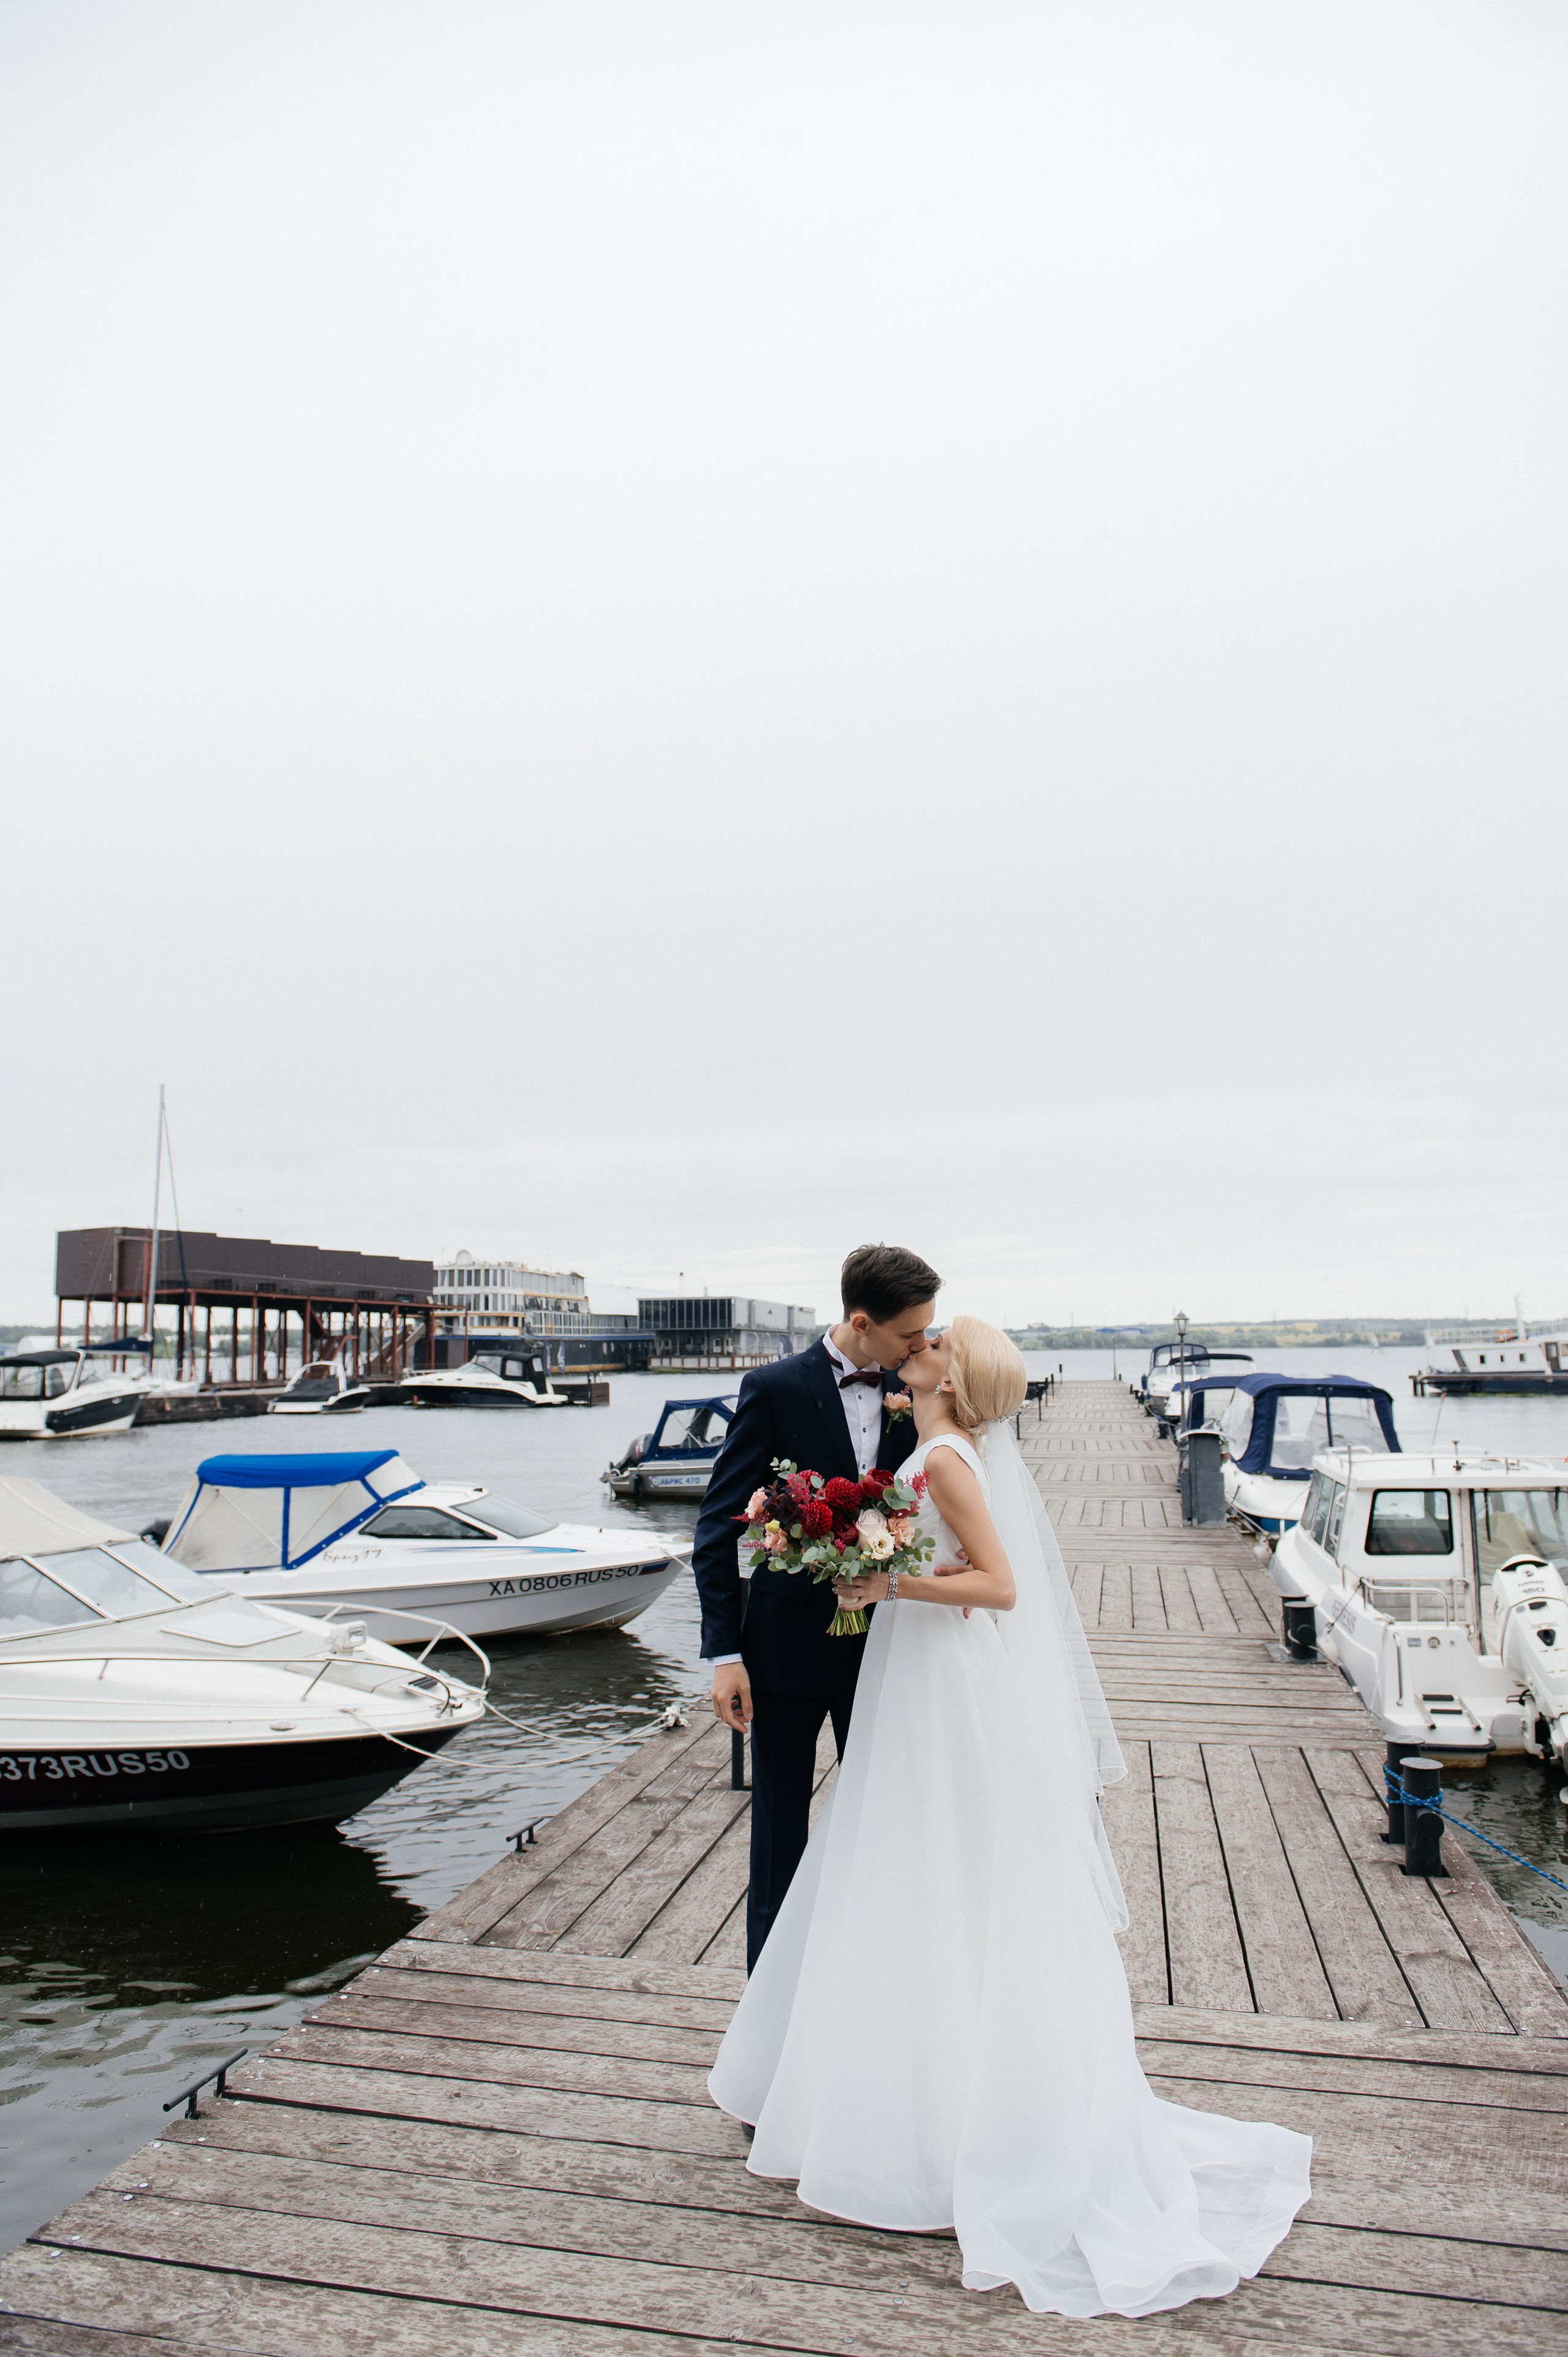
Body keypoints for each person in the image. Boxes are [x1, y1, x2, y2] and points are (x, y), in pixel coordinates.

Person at [707, 1316, 1313, 2320]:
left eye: (932, 1346)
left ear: (952, 1375)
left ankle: (940, 2115)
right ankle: (933, 2094)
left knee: (935, 1868)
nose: (916, 1351)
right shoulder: (947, 1449)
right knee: (925, 1867)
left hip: (942, 1677)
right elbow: (961, 1571)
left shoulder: (945, 1458)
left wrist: (879, 1578)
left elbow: (1000, 1584)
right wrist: (875, 1560)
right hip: (927, 1671)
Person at [692, 1243, 940, 1968]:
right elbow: (717, 1524)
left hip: (893, 1644)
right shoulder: (772, 1387)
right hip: (782, 1647)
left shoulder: (917, 1388)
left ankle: (873, 1983)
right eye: (908, 1335)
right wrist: (724, 1654)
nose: (921, 1345)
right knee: (778, 1835)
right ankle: (770, 2007)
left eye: (927, 1332)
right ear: (861, 1323)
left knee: (889, 1818)